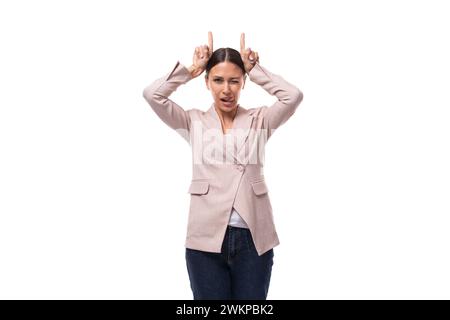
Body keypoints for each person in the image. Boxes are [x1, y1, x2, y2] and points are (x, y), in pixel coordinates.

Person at [142, 32, 303, 300]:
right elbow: (152, 95)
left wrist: (256, 71)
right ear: (206, 82)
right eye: (217, 80)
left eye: (234, 81)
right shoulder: (193, 122)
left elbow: (293, 96)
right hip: (205, 238)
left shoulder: (259, 120)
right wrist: (190, 70)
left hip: (253, 239)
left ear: (243, 84)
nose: (226, 89)